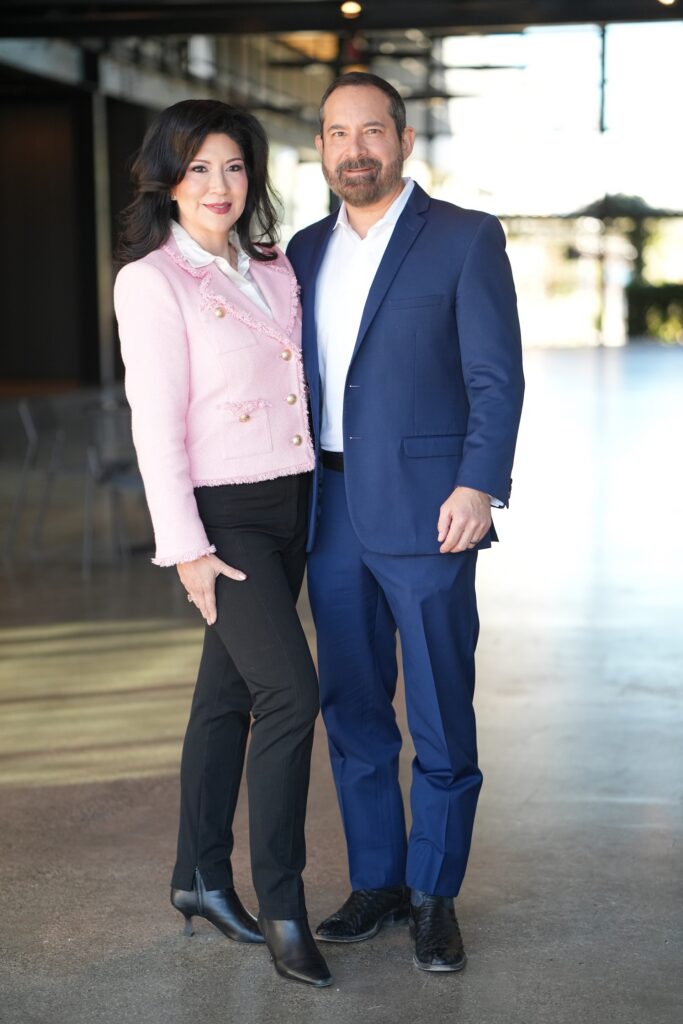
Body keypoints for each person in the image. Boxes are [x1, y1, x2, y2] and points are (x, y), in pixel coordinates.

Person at [286, 72, 524, 973]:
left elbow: (495, 376)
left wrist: (477, 485)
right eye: (337, 133)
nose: (354, 149)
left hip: (431, 513)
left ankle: (433, 894)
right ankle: (378, 882)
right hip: (330, 511)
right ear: (320, 147)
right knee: (352, 710)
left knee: (437, 712)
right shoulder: (302, 251)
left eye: (371, 131)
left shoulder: (463, 237)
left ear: (404, 140)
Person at [114, 99, 332, 988]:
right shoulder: (151, 282)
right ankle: (282, 903)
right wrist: (187, 549)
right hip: (225, 514)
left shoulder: (274, 267)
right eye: (199, 168)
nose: (218, 185)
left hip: (294, 502)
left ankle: (199, 877)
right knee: (290, 694)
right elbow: (154, 425)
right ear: (168, 179)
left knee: (226, 695)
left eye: (234, 166)